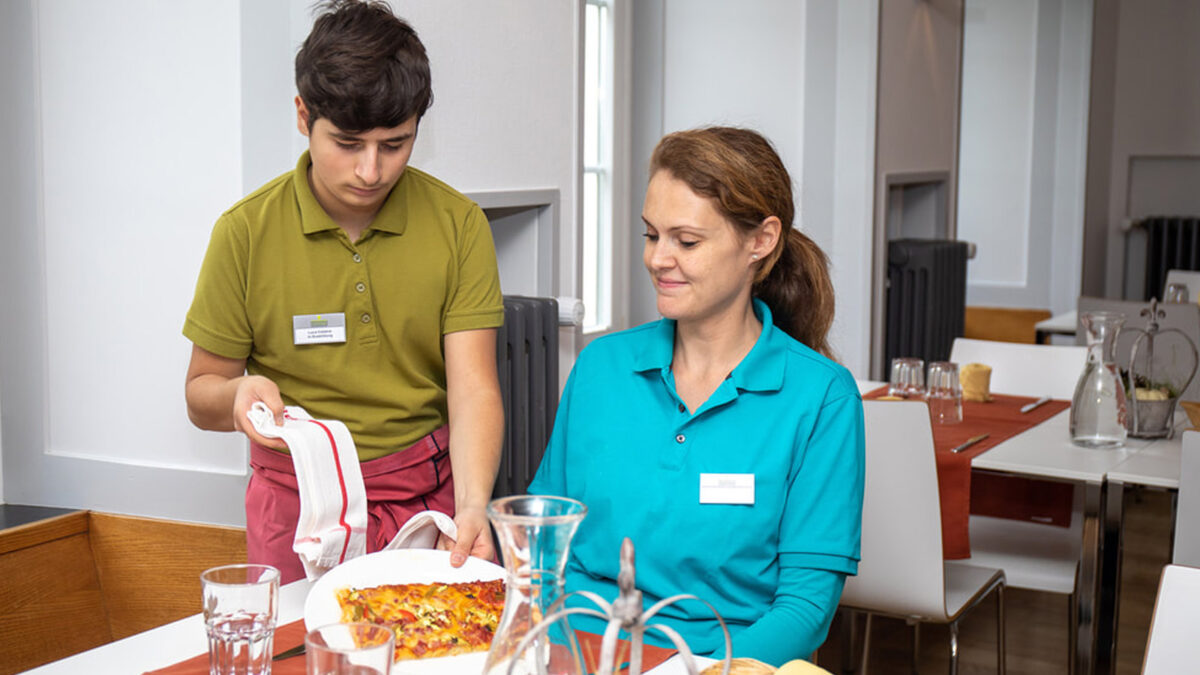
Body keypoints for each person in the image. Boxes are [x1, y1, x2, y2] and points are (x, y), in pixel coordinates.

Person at [183, 0, 503, 583]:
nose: (371, 171)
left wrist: (474, 504)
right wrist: (235, 397)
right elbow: (200, 393)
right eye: (349, 144)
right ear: (304, 115)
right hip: (298, 503)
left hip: (424, 496)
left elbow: (474, 389)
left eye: (395, 143)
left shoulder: (458, 224)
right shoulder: (245, 232)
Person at [528, 127, 864, 665]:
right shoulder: (601, 367)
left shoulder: (822, 398)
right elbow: (543, 541)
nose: (659, 259)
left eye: (686, 241)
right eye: (650, 235)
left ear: (761, 241)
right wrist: (561, 651)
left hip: (721, 662)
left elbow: (805, 609)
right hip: (575, 650)